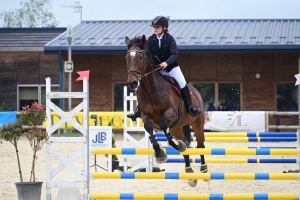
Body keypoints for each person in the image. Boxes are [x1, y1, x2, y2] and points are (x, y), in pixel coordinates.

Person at [127, 15, 201, 121]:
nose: (155, 29)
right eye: (154, 27)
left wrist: (167, 62)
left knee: (182, 82)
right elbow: (147, 53)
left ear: (164, 28)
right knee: (142, 83)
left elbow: (174, 54)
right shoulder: (151, 39)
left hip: (171, 67)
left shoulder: (170, 39)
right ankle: (139, 109)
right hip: (157, 68)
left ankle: (190, 106)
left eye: (158, 26)